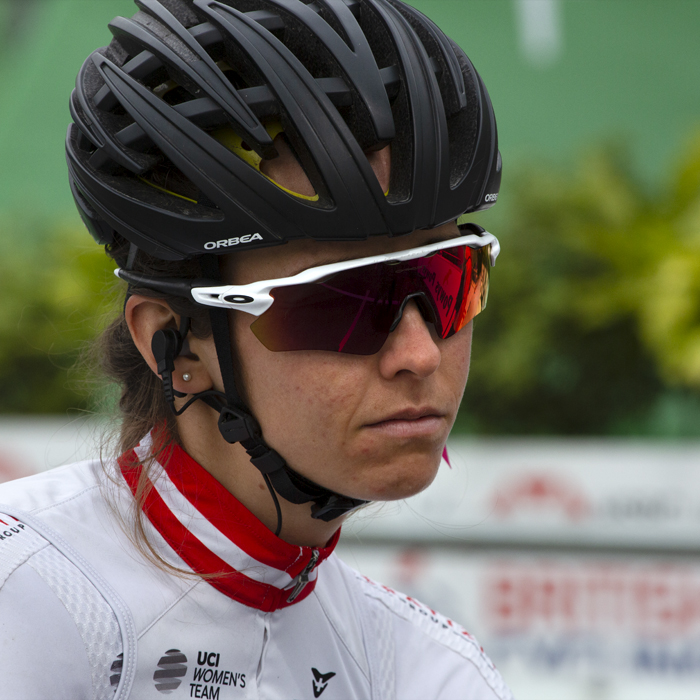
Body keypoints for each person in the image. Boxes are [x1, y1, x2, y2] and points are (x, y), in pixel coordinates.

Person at [0, 1, 509, 698]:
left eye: (451, 281)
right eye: (342, 303)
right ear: (174, 345)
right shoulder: (23, 599)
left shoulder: (431, 671)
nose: (419, 354)